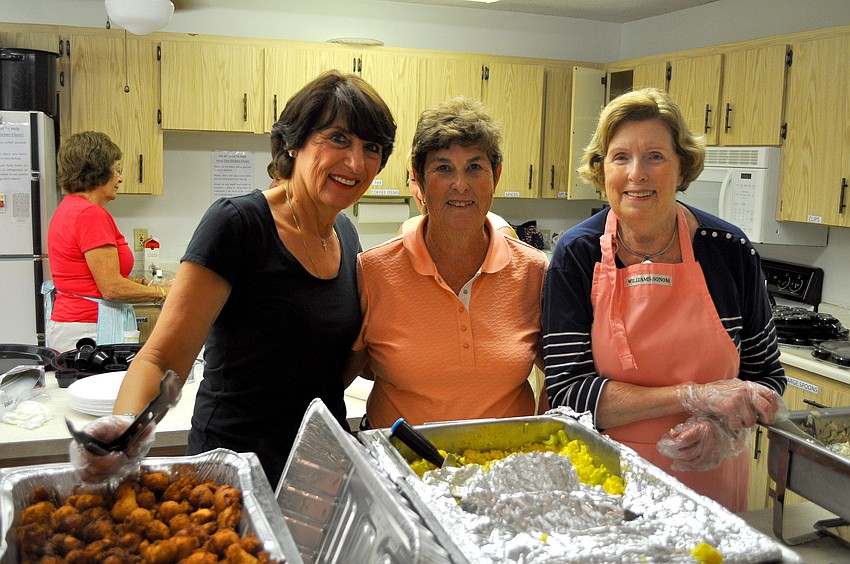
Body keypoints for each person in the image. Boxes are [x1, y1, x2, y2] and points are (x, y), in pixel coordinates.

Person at [71, 71, 396, 486]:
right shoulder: (238, 224)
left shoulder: (346, 236)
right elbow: (160, 360)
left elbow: (325, 367)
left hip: (319, 468)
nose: (356, 162)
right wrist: (123, 433)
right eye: (337, 138)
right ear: (294, 144)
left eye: (372, 148)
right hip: (232, 470)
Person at [541, 88, 785, 512]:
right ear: (602, 169)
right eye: (620, 157)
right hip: (606, 487)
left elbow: (768, 377)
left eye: (655, 156)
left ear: (681, 166)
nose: (637, 173)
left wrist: (724, 427)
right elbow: (567, 392)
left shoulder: (727, 250)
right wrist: (694, 397)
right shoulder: (577, 253)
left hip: (712, 490)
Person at [352, 96, 548, 430]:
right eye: (443, 168)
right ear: (420, 180)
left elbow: (558, 375)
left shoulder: (534, 273)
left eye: (475, 167)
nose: (460, 184)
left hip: (501, 469)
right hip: (401, 467)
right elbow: (346, 370)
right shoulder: (373, 272)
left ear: (496, 175)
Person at [47, 131, 170, 353]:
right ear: (98, 170)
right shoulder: (90, 214)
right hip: (91, 331)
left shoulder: (70, 207)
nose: (120, 178)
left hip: (76, 327)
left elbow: (91, 278)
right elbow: (111, 288)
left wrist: (144, 284)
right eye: (117, 170)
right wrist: (163, 293)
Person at [399, 150, 518, 239]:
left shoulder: (500, 234)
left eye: (473, 168)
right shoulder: (407, 231)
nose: (421, 193)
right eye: (414, 180)